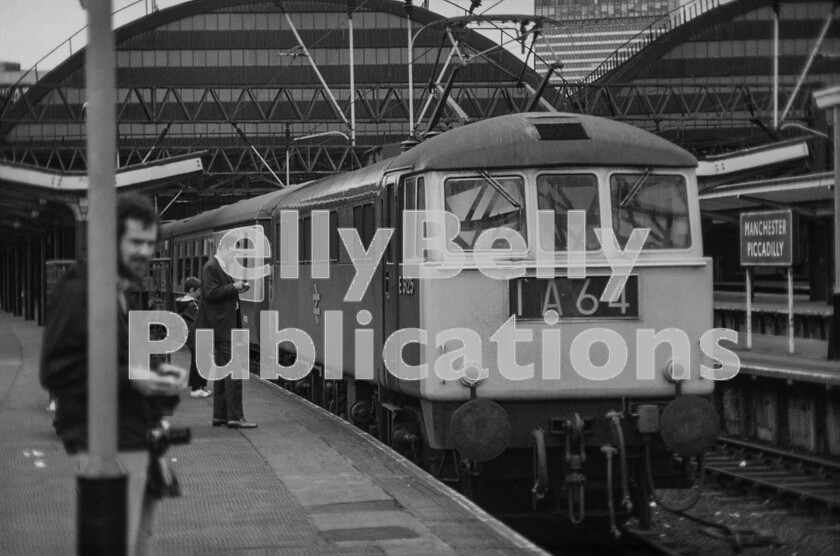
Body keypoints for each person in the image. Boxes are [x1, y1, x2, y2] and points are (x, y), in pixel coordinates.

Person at [40, 193, 188, 555]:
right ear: (110, 238)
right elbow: (57, 369)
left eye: (150, 243)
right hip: (107, 444)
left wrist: (157, 378)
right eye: (136, 241)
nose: (145, 252)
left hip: (132, 438)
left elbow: (109, 360)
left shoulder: (116, 293)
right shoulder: (79, 292)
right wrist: (135, 378)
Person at [194, 238, 257, 428]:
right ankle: (235, 418)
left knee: (223, 374)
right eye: (233, 252)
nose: (235, 256)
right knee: (234, 373)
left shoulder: (217, 268)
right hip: (221, 328)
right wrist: (234, 287)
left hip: (222, 327)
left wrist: (236, 288)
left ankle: (220, 416)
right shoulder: (211, 267)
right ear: (223, 249)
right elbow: (211, 293)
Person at [176, 276, 210, 398]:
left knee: (197, 362)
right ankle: (196, 388)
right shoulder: (191, 305)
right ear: (191, 290)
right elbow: (199, 320)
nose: (200, 293)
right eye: (198, 291)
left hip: (193, 336)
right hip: (195, 337)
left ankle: (199, 387)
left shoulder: (184, 303)